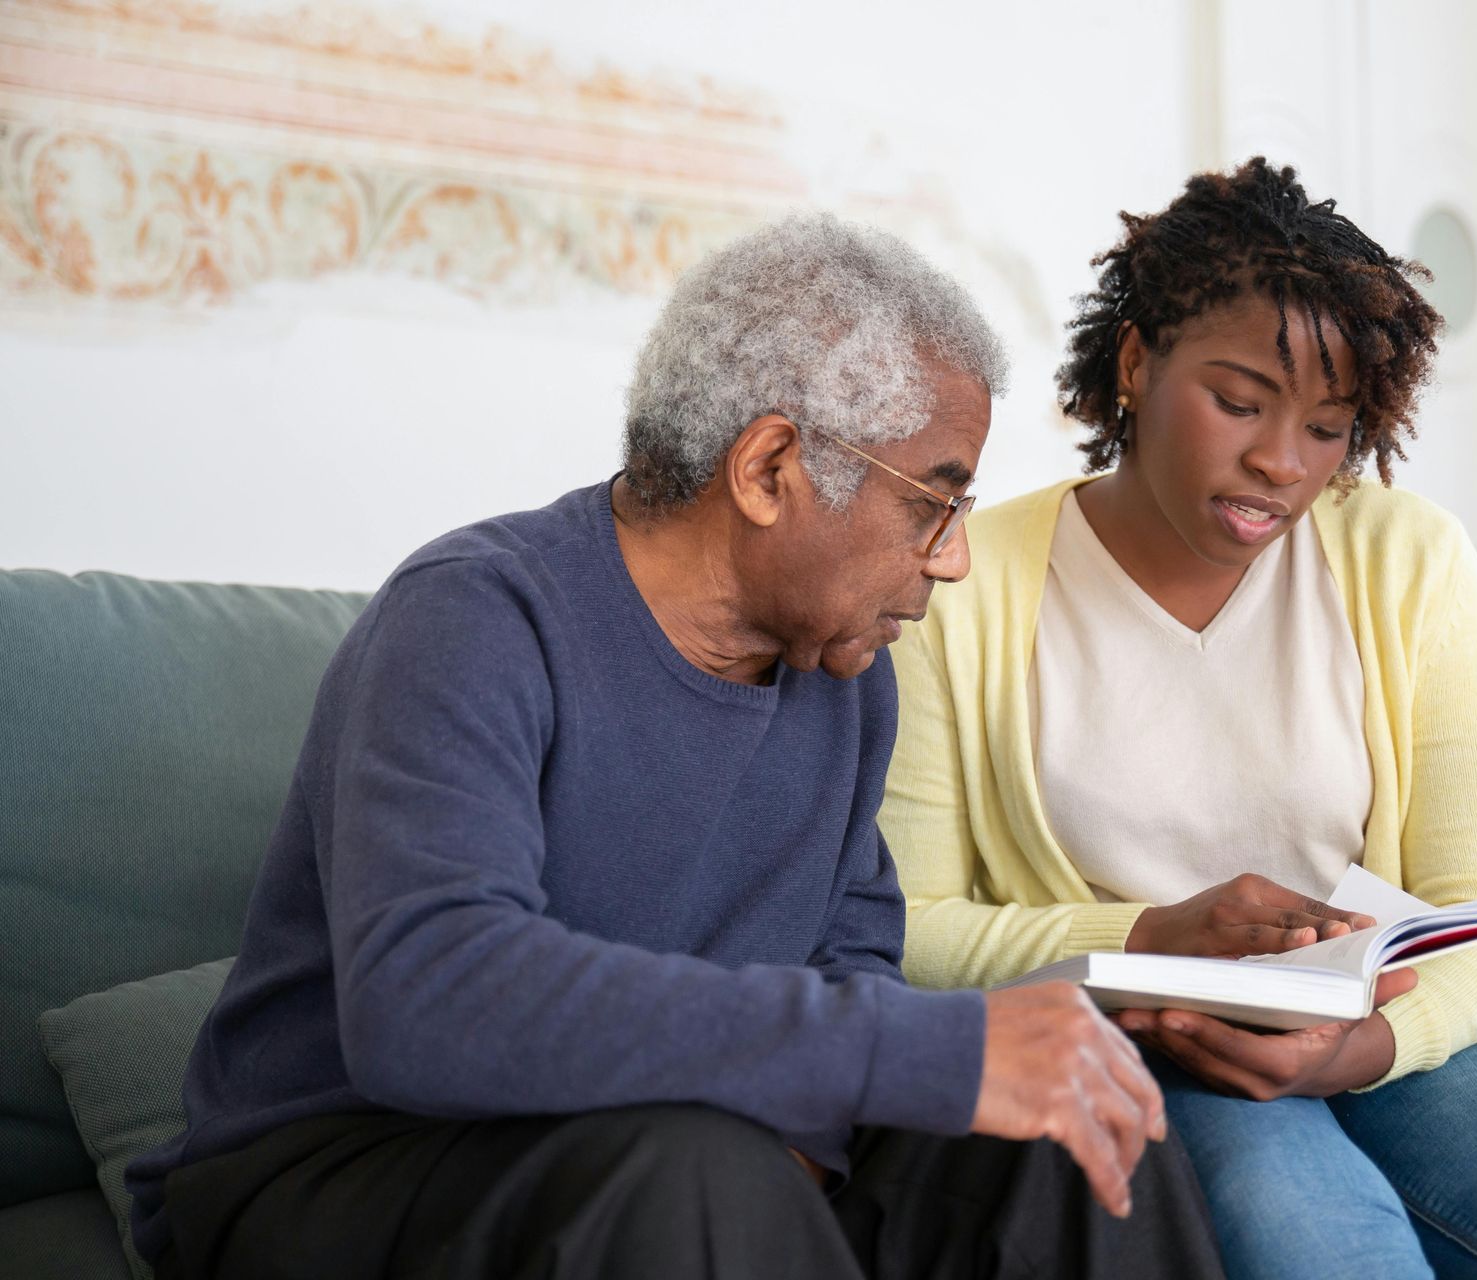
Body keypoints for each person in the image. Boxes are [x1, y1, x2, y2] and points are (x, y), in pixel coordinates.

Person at [125, 214, 1226, 1280]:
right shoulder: (473, 616)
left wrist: (817, 1137)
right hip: (344, 1165)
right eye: (930, 507)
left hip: (677, 1162)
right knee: (703, 1168)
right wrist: (911, 1053)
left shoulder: (844, 676)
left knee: (1081, 1124)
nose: (951, 562)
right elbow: (428, 995)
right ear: (768, 469)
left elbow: (848, 958)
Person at [879, 160, 1477, 1280]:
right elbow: (908, 924)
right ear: (1136, 360)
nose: (1280, 462)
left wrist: (1370, 1043)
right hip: (1158, 1033)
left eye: (1328, 427)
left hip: (1402, 1020)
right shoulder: (962, 583)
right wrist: (1146, 937)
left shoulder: (1406, 559)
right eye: (1237, 402)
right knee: (1318, 1249)